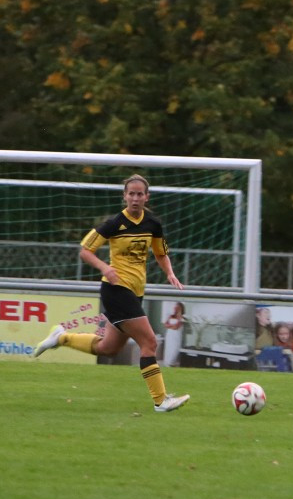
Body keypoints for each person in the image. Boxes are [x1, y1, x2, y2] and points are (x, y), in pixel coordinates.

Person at [31, 174, 191, 412]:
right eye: (131, 194)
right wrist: (105, 267)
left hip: (135, 292)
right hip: (116, 290)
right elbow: (86, 250)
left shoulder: (153, 224)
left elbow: (160, 252)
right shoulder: (114, 223)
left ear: (147, 197)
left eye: (139, 194)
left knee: (108, 348)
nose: (135, 198)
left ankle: (61, 337)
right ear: (124, 196)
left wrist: (169, 273)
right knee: (149, 342)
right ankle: (160, 400)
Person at [162, 301, 185, 368]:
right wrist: (171, 326)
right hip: (169, 335)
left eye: (177, 306)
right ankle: (167, 363)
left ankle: (172, 363)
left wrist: (170, 326)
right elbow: (166, 324)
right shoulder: (171, 316)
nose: (175, 308)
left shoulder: (181, 318)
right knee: (168, 349)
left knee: (174, 350)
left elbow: (176, 327)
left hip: (176, 336)